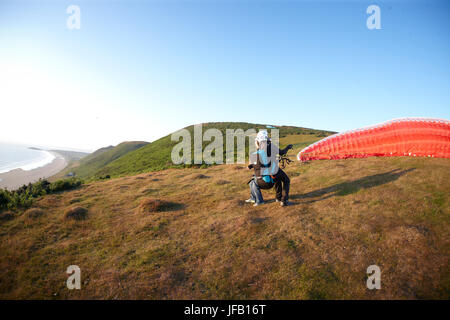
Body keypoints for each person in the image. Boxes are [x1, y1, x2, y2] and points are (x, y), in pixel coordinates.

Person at [246, 130, 292, 207]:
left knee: (277, 179)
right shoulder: (271, 146)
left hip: (265, 172)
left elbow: (259, 160)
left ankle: (278, 197)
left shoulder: (259, 149)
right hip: (273, 169)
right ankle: (283, 200)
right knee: (285, 180)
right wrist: (288, 147)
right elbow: (282, 152)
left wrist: (250, 166)